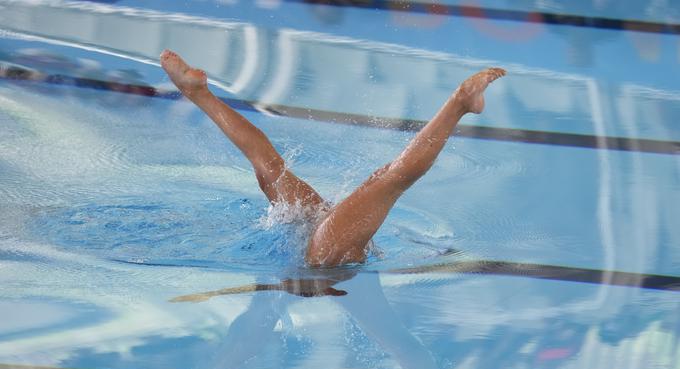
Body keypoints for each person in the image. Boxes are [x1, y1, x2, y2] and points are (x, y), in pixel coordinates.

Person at [159, 50, 505, 267]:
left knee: (379, 179)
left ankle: (198, 93)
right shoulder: (332, 260)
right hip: (315, 246)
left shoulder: (331, 256)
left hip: (321, 251)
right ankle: (459, 103)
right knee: (271, 168)